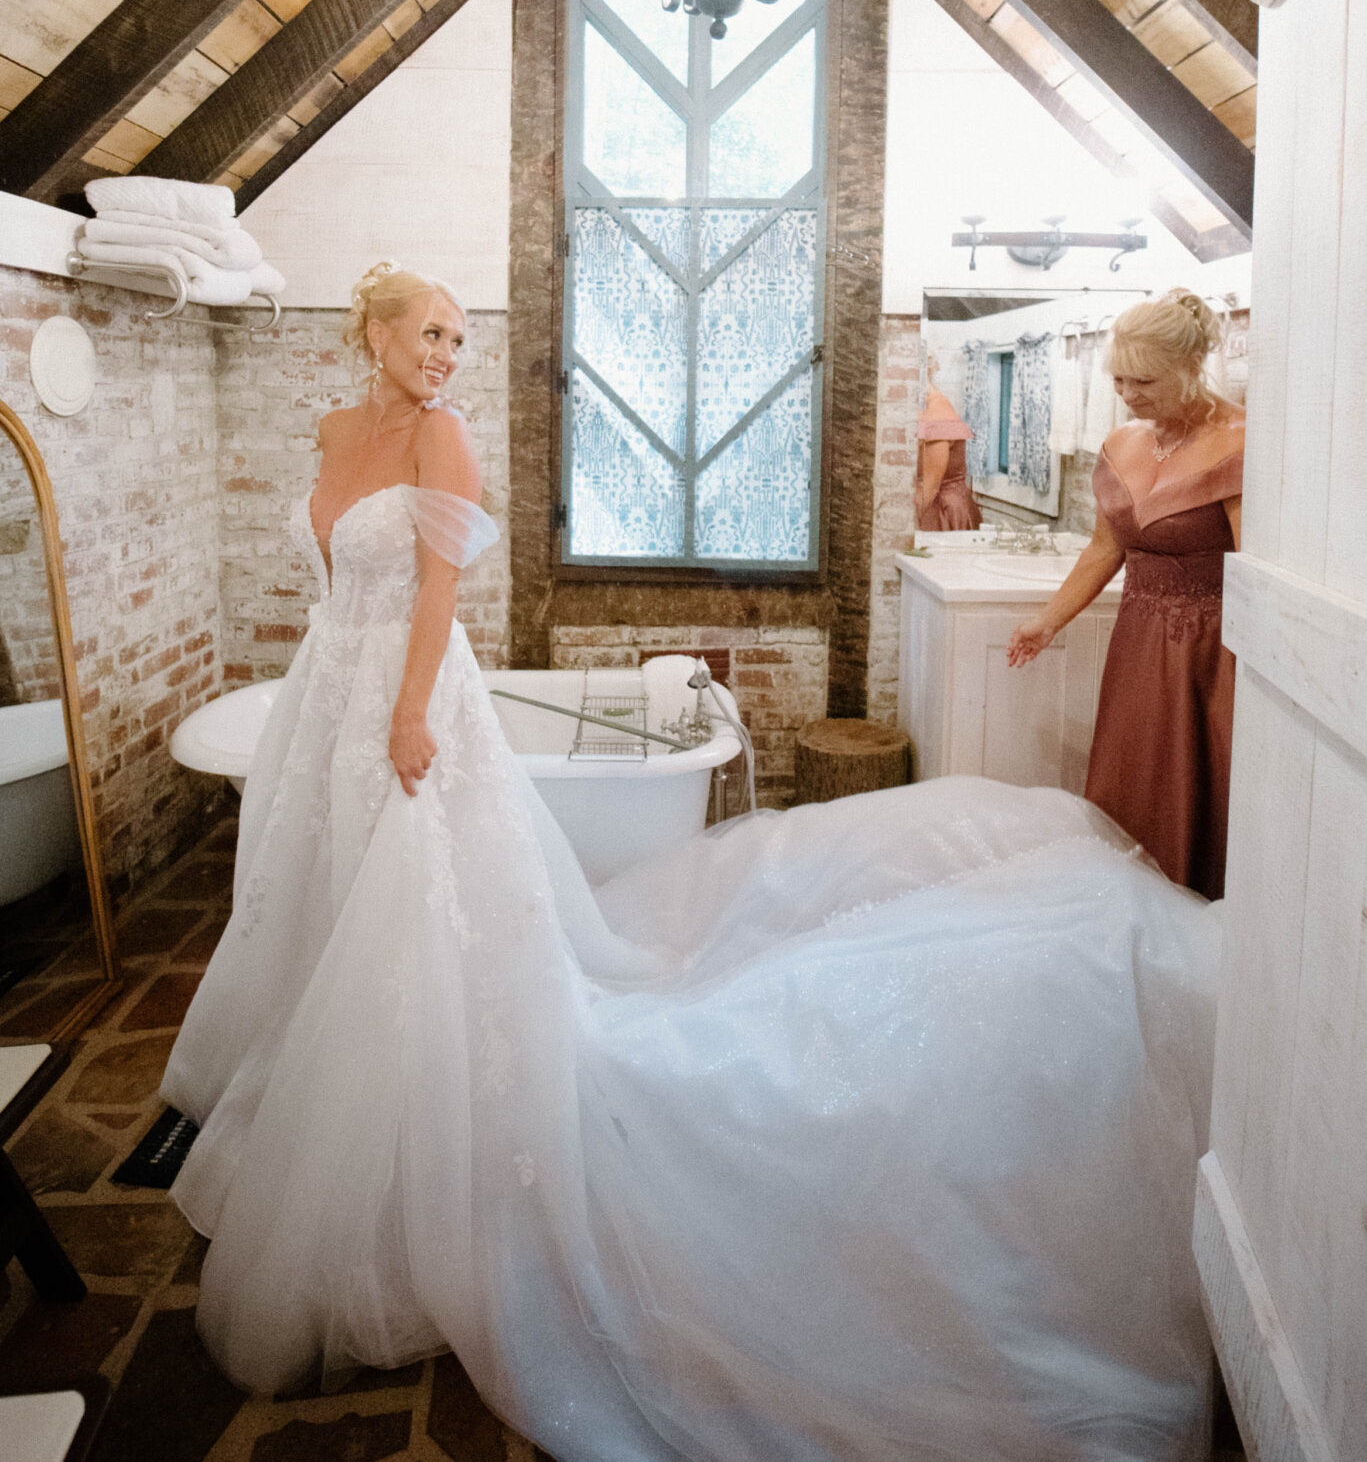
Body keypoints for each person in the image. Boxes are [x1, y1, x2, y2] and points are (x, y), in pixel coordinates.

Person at [163, 263, 1222, 1459]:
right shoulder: (332, 427)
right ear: (371, 331)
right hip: (328, 693)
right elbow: (336, 578)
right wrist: (335, 702)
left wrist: (409, 717)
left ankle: (420, 1114)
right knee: (331, 901)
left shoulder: (446, 439)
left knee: (415, 918)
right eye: (430, 335)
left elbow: (438, 598)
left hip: (410, 704)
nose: (447, 355)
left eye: (460, 339)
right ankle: (341, 1087)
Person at [1007, 290, 1243, 899]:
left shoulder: (1245, 443)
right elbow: (1104, 550)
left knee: (1201, 786)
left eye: (1145, 381)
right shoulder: (1124, 444)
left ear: (1192, 370)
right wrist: (1047, 621)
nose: (1129, 396)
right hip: (1139, 641)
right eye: (1118, 380)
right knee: (1131, 779)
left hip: (1214, 653)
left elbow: (1256, 572)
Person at [915, 350, 983, 532]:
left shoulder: (937, 413)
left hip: (942, 512)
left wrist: (904, 525)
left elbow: (930, 487)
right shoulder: (925, 407)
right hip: (934, 506)